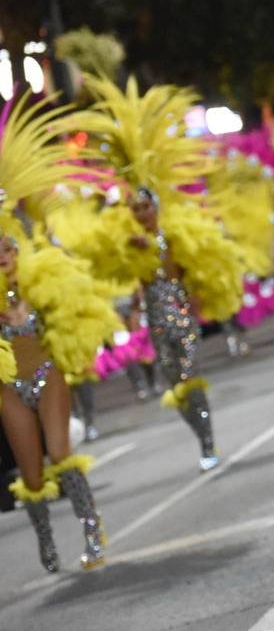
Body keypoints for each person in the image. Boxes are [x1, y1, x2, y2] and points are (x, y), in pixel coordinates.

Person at [63, 77, 248, 472]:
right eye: (136, 210)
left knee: (189, 376)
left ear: (156, 209)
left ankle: (208, 443)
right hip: (154, 319)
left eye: (145, 209)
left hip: (180, 311)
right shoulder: (128, 241)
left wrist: (185, 286)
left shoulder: (176, 233)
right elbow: (118, 272)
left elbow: (193, 268)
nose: (140, 215)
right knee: (175, 387)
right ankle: (202, 436)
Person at [0, 96, 120, 572]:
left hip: (47, 375)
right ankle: (46, 542)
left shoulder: (45, 277)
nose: (2, 256)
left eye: (7, 248)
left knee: (62, 454)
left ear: (17, 248)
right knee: (30, 476)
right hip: (8, 392)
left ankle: (93, 534)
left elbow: (78, 313)